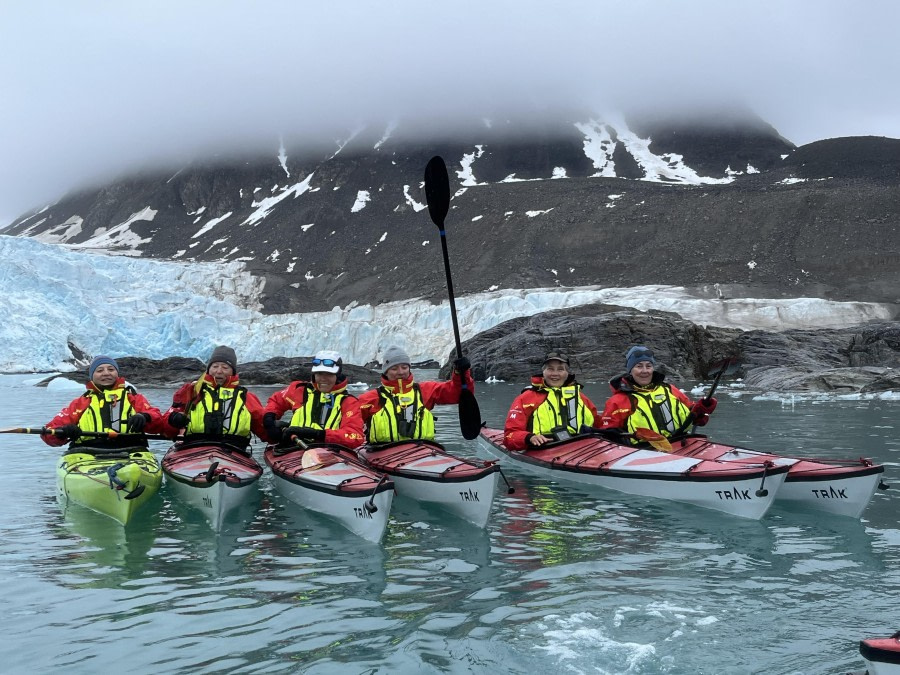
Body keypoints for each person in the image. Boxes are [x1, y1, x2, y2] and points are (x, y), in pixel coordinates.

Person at [41, 355, 164, 450]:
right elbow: (49, 432)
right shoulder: (80, 403)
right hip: (87, 451)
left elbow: (158, 422)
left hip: (131, 449)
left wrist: (145, 417)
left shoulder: (134, 398)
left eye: (111, 369)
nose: (106, 373)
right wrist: (63, 432)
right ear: (92, 376)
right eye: (99, 370)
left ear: (117, 373)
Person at [358, 345, 473, 443]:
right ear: (386, 371)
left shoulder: (425, 390)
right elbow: (350, 423)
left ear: (409, 368)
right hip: (381, 453)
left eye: (404, 367)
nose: (400, 372)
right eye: (394, 368)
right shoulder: (370, 398)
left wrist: (460, 373)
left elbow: (458, 394)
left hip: (422, 451)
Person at [600, 346, 717, 441]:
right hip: (641, 452)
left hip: (680, 443)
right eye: (639, 366)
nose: (644, 371)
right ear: (630, 370)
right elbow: (608, 433)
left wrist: (702, 410)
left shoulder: (669, 390)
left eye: (648, 366)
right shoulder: (618, 401)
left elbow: (693, 413)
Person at [163, 345, 266, 451]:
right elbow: (166, 430)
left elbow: (265, 431)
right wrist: (173, 420)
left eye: (225, 367)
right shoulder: (193, 391)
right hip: (194, 449)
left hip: (235, 450)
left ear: (233, 371)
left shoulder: (245, 397)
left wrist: (277, 430)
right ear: (208, 369)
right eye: (215, 366)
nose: (219, 371)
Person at [262, 350, 365, 449]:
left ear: (337, 376)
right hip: (293, 447)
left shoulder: (348, 402)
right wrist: (269, 419)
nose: (323, 378)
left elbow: (355, 436)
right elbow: (276, 401)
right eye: (319, 374)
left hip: (329, 451)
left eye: (329, 374)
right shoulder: (300, 390)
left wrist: (318, 434)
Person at [503, 351, 601, 450]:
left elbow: (600, 426)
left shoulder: (581, 398)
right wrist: (529, 437)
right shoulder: (525, 399)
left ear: (567, 373)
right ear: (543, 372)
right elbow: (510, 436)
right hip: (542, 448)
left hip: (582, 448)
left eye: (560, 369)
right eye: (550, 369)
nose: (555, 374)